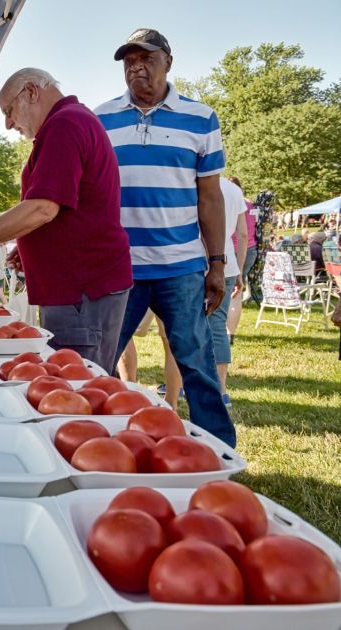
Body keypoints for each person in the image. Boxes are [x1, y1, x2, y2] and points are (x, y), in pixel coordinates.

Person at [0, 68, 133, 372]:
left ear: (31, 92)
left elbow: (42, 208)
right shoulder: (71, 121)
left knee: (74, 385)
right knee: (77, 380)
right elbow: (63, 207)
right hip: (79, 286)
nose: (8, 123)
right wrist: (32, 247)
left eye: (9, 111)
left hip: (81, 289)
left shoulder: (64, 124)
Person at [95, 28, 235, 446]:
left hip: (182, 267)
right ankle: (95, 443)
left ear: (168, 62)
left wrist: (217, 264)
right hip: (122, 268)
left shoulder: (200, 117)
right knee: (99, 365)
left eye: (146, 59)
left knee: (197, 364)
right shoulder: (100, 118)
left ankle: (220, 452)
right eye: (129, 61)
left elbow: (210, 198)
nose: (137, 67)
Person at [159, 177, 247, 409]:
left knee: (181, 329)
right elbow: (243, 234)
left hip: (193, 261)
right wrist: (238, 268)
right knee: (217, 326)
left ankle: (176, 389)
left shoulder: (190, 184)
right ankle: (221, 389)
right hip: (226, 263)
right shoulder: (234, 191)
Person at [226, 177, 258, 342]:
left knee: (230, 290)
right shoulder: (251, 205)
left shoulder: (228, 200)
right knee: (237, 292)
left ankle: (222, 328)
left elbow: (242, 234)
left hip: (233, 248)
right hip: (250, 249)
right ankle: (231, 332)